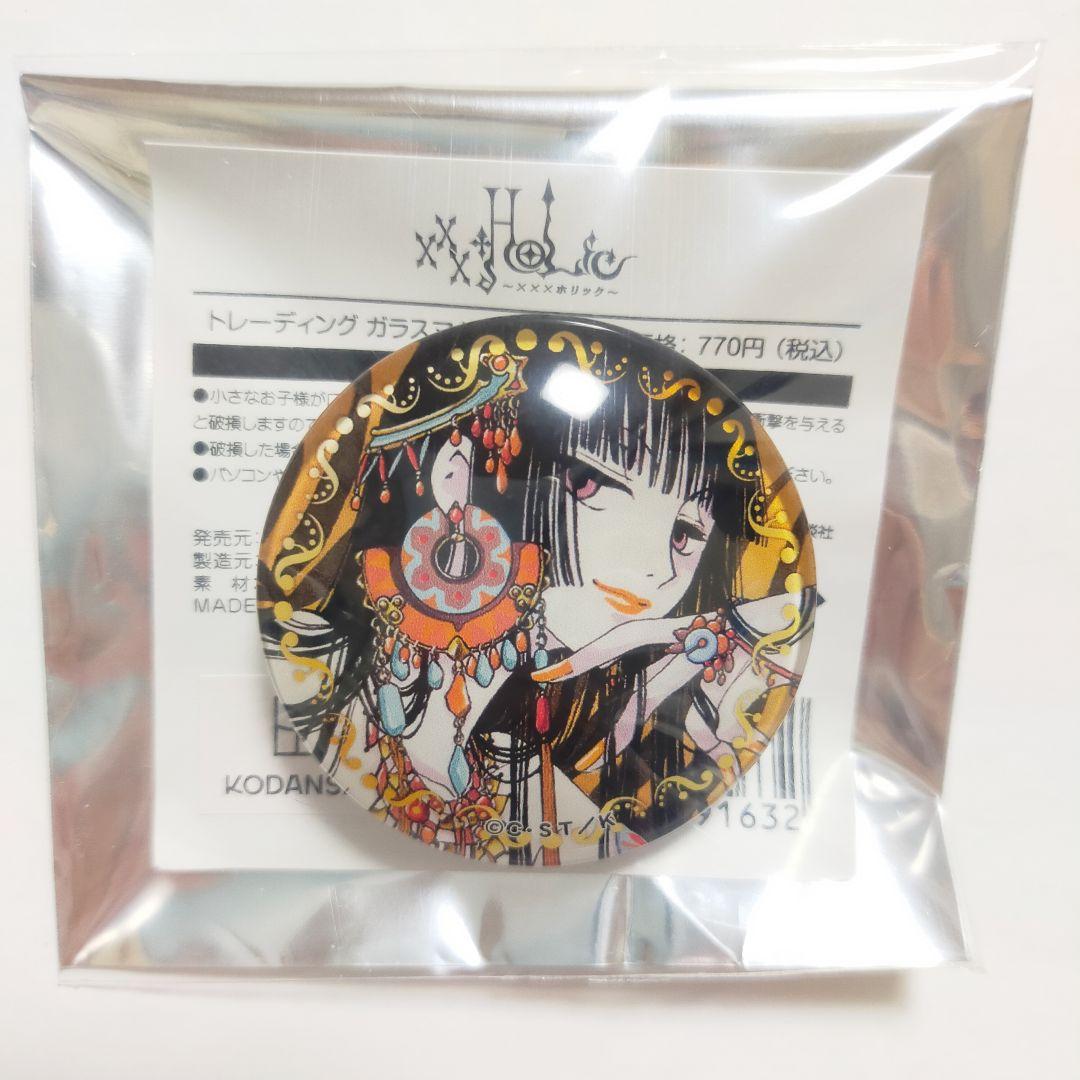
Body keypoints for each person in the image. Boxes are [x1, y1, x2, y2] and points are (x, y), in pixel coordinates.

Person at [259, 317, 815, 865]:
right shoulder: (308, 665)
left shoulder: (557, 793)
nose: (656, 570)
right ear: (457, 475)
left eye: (685, 533)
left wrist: (748, 635)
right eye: (592, 482)